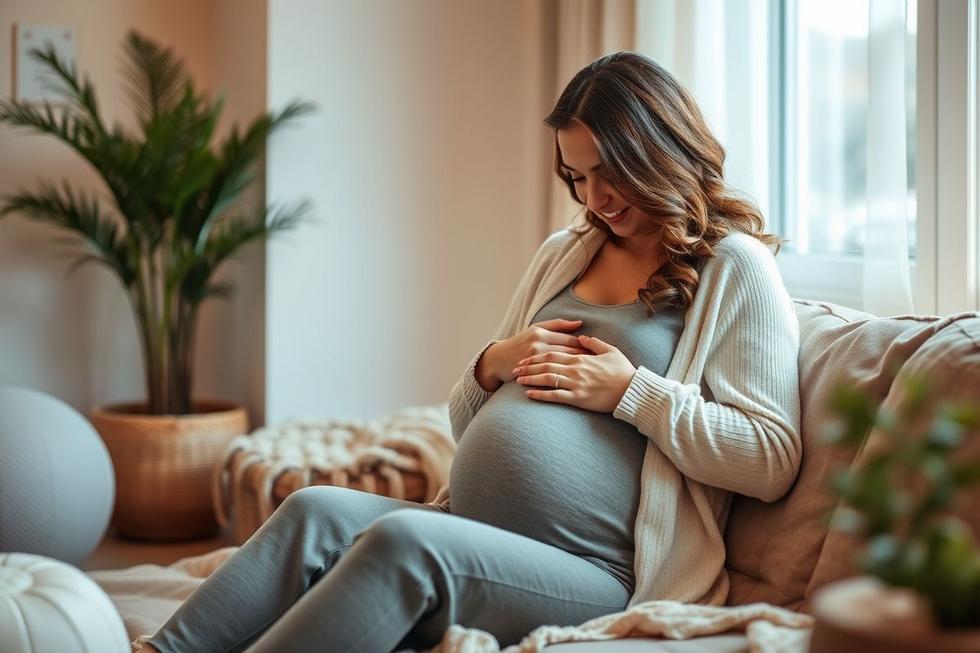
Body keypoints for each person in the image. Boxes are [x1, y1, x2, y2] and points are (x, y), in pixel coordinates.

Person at [142, 51, 801, 653]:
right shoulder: (564, 253)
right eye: (577, 177)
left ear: (656, 148)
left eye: (610, 173)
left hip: (602, 573)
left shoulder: (733, 268)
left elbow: (772, 456)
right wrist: (493, 363)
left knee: (404, 544)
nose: (596, 200)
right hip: (476, 525)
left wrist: (630, 392)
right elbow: (465, 424)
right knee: (315, 509)